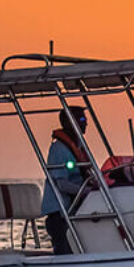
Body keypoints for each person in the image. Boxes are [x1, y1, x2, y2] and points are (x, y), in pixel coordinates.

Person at [40, 107, 90, 254]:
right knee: (66, 253)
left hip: (74, 214)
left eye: (85, 120)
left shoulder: (79, 147)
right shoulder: (59, 149)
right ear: (68, 122)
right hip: (60, 218)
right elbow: (62, 184)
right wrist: (86, 191)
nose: (86, 123)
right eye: (81, 120)